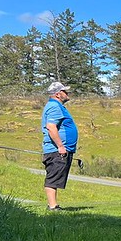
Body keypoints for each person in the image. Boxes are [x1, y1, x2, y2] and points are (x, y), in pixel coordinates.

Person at [41, 81, 79, 211]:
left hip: (61, 149)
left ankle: (53, 205)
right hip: (56, 150)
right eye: (65, 91)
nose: (67, 93)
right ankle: (52, 206)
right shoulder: (54, 107)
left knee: (56, 176)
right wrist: (60, 146)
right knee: (53, 176)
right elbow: (51, 127)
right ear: (58, 94)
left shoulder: (57, 106)